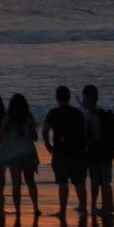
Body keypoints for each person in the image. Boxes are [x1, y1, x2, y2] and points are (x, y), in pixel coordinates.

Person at [0, 94, 42, 217]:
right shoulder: (29, 118)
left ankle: (18, 210)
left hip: (13, 155)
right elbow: (35, 138)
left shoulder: (7, 119)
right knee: (30, 182)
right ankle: (35, 207)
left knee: (16, 183)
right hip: (28, 153)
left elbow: (1, 137)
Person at [43, 85, 89, 217]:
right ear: (69, 98)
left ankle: (62, 211)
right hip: (78, 152)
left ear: (57, 98)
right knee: (79, 182)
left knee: (62, 182)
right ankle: (83, 207)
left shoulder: (53, 113)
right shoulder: (77, 113)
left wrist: (47, 144)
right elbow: (84, 132)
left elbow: (45, 130)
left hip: (60, 152)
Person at [82, 83, 114, 215]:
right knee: (106, 181)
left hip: (96, 153)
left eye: (84, 98)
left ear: (88, 98)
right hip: (108, 152)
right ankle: (109, 206)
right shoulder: (103, 113)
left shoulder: (93, 115)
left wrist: (86, 143)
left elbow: (96, 136)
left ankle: (95, 206)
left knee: (96, 181)